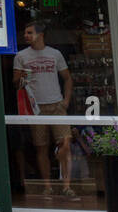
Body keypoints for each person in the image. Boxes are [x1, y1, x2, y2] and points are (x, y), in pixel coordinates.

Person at [12, 21, 74, 198]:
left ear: (41, 35)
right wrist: (22, 77)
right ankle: (47, 186)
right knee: (41, 147)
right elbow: (15, 83)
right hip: (35, 107)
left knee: (66, 143)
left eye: (29, 33)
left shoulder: (55, 54)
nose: (25, 36)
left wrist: (66, 100)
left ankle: (66, 186)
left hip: (56, 104)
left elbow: (67, 78)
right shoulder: (21, 56)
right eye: (25, 33)